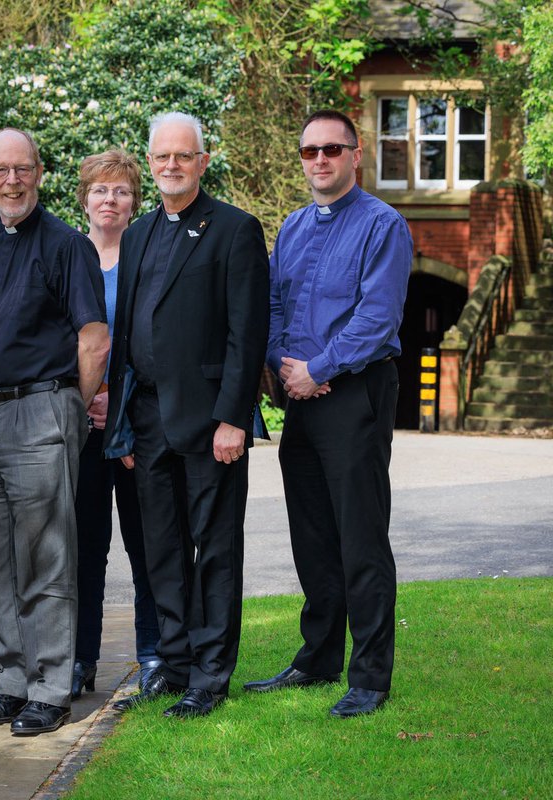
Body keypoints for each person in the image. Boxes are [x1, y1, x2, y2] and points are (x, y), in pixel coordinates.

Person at [101, 112, 269, 718]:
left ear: (202, 161)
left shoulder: (234, 229)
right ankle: (172, 666)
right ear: (151, 163)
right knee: (162, 550)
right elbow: (124, 335)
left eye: (183, 155)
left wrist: (234, 419)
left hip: (208, 422)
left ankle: (210, 675)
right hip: (146, 421)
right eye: (162, 156)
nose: (171, 165)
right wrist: (120, 420)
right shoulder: (140, 232)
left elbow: (246, 336)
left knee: (215, 549)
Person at [244, 110, 411, 718]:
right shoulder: (290, 227)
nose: (320, 160)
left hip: (355, 393)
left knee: (360, 536)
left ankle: (369, 675)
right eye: (309, 151)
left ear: (355, 154)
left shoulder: (382, 225)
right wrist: (286, 363)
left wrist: (320, 369)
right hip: (300, 395)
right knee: (312, 534)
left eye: (332, 150)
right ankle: (317, 658)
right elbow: (274, 303)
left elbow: (378, 316)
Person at [0, 128, 109, 735]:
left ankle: (50, 687)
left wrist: (71, 407)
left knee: (47, 558)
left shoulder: (68, 245)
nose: (12, 181)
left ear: (40, 173)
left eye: (23, 169)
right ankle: (14, 681)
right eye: (1, 170)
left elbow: (94, 338)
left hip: (42, 410)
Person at [71, 149, 160, 701]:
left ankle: (154, 655)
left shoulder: (147, 258)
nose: (110, 200)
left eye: (121, 191)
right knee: (83, 549)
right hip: (79, 428)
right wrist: (84, 401)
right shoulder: (66, 255)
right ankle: (80, 659)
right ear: (84, 199)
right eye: (101, 190)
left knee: (148, 545)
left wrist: (118, 402)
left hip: (136, 430)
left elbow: (151, 344)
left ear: (134, 202)